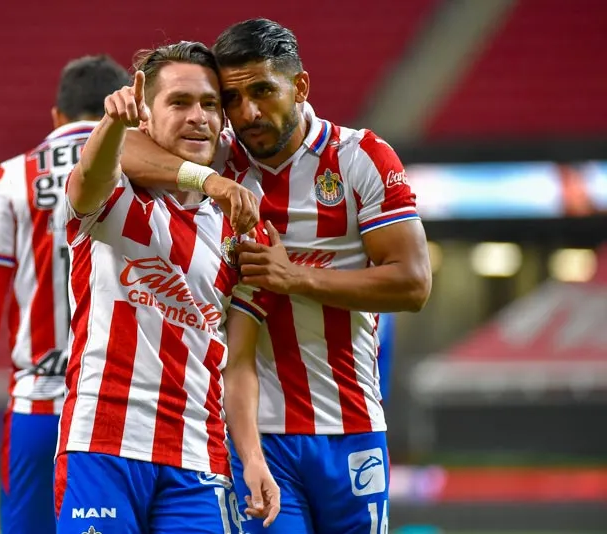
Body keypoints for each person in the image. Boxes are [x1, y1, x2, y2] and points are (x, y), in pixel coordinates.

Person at [116, 18, 432, 534]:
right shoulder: (220, 154)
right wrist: (211, 180)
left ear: (300, 86)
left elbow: (413, 284)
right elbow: (123, 151)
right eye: (233, 99)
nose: (248, 113)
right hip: (257, 434)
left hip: (350, 424)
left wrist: (296, 279)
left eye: (263, 91)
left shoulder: (360, 159)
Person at [54, 41, 280, 534]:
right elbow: (92, 175)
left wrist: (253, 458)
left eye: (209, 104)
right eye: (179, 103)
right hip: (104, 444)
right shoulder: (115, 198)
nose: (198, 116)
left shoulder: (239, 226)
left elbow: (237, 363)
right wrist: (112, 124)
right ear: (145, 118)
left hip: (198, 455)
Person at [0, 55, 130, 534]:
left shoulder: (13, 177)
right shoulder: (140, 169)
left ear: (57, 116)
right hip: (122, 412)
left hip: (40, 403)